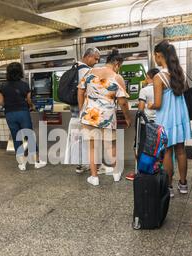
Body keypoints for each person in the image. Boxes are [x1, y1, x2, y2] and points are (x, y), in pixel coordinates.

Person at [78, 48, 132, 186]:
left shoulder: (90, 72)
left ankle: (94, 177)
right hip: (107, 117)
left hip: (89, 115)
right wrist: (127, 117)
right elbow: (123, 102)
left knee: (92, 147)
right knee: (111, 146)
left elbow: (80, 91)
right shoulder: (117, 78)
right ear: (117, 64)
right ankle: (115, 174)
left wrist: (81, 109)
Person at [149, 40, 192, 197]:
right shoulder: (179, 73)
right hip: (180, 117)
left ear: (159, 55)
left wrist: (150, 105)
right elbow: (184, 94)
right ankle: (183, 184)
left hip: (167, 118)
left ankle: (169, 187)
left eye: (155, 56)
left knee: (167, 152)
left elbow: (158, 104)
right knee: (181, 151)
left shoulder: (159, 77)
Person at [0, 62, 46, 171]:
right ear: (20, 72)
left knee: (16, 138)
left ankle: (22, 164)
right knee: (29, 136)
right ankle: (37, 162)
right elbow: (29, 100)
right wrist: (32, 106)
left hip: (10, 114)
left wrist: (9, 105)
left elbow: (0, 102)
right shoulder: (24, 85)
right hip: (23, 113)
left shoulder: (3, 86)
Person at [64, 47, 101, 174]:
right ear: (88, 56)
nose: (96, 61)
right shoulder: (87, 71)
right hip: (84, 112)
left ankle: (80, 165)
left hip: (73, 113)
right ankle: (91, 165)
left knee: (77, 140)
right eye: (95, 59)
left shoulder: (73, 68)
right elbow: (88, 93)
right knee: (89, 141)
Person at [126, 67, 160, 181]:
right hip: (159, 123)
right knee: (156, 147)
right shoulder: (162, 89)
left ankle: (140, 172)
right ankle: (155, 169)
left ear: (149, 77)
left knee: (140, 147)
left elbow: (141, 109)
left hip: (145, 123)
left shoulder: (144, 90)